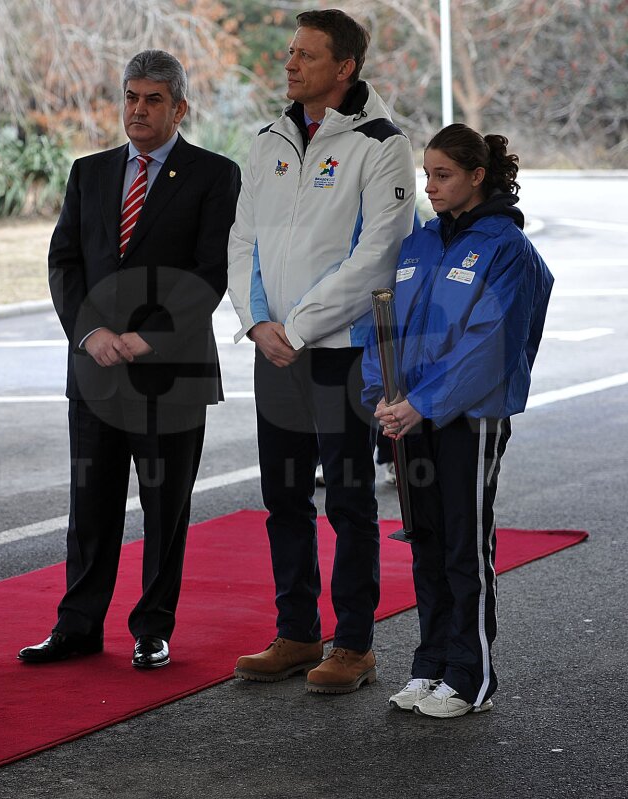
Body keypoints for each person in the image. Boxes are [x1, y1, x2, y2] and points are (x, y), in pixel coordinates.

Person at [18, 50, 240, 670]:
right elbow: (65, 263)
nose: (138, 111)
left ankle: (152, 628)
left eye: (153, 100)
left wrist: (148, 340)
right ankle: (78, 626)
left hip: (169, 373)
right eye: (131, 98)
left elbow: (209, 272)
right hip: (94, 369)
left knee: (165, 506)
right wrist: (89, 333)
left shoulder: (213, 175)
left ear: (179, 108)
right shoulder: (88, 173)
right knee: (90, 505)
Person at [226, 9, 416, 693]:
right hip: (272, 348)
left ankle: (355, 644)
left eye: (307, 55)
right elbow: (241, 239)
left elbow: (378, 257)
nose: (291, 63)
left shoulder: (381, 143)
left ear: (345, 68)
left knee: (349, 497)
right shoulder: (269, 138)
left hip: (339, 353)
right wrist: (255, 323)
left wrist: (297, 328)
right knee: (283, 498)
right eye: (290, 52)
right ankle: (299, 631)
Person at [364, 124, 552, 718]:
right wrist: (383, 394)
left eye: (443, 175)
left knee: (463, 547)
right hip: (412, 414)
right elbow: (386, 326)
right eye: (427, 174)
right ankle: (432, 666)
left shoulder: (506, 248)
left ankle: (472, 678)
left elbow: (491, 344)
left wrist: (424, 403)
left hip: (469, 417)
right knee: (426, 541)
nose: (431, 185)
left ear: (478, 176)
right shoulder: (419, 243)